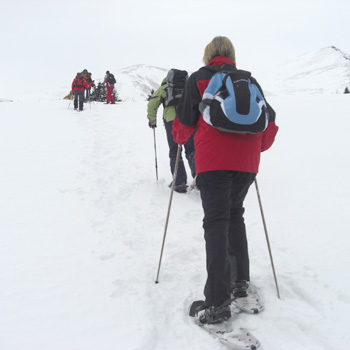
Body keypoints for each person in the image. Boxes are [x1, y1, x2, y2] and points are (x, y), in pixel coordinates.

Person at [172, 36, 279, 324]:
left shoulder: (199, 79)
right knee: (235, 216)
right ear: (232, 55)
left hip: (212, 163)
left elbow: (182, 125)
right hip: (246, 164)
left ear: (208, 55)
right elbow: (268, 125)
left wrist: (181, 140)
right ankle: (240, 284)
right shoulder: (248, 81)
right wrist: (252, 150)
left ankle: (218, 303)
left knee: (216, 223)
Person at [147, 75, 196, 193]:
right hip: (188, 120)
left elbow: (152, 103)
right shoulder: (188, 86)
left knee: (175, 151)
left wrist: (152, 121)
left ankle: (179, 182)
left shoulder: (165, 87)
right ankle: (199, 178)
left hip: (171, 121)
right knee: (191, 149)